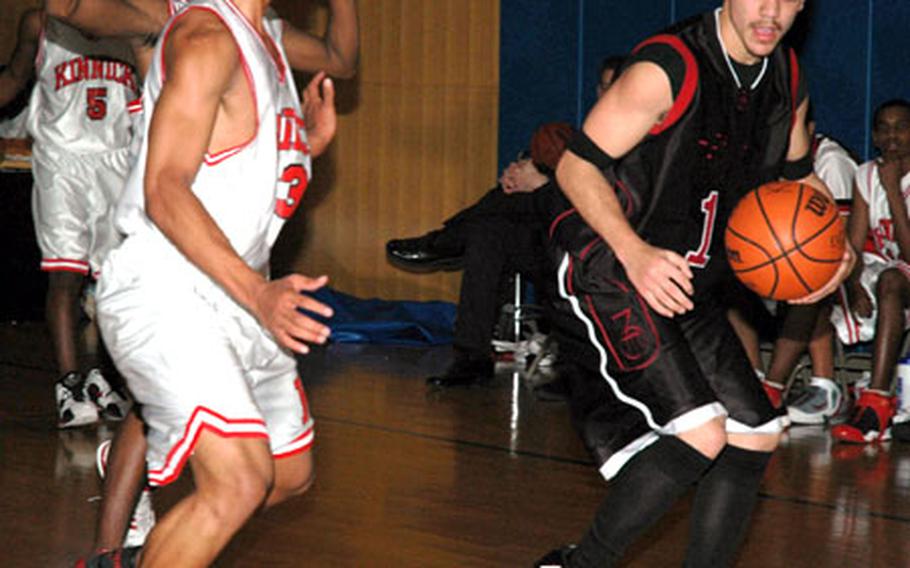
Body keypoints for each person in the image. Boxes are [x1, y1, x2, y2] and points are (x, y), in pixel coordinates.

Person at [535, 1, 853, 566]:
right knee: (701, 433)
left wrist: (833, 250)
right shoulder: (667, 68)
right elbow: (574, 167)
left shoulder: (788, 79)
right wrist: (634, 255)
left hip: (686, 280)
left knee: (756, 433)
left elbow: (801, 181)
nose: (772, 11)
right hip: (606, 264)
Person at [44, 0, 359, 561]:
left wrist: (299, 145)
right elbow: (164, 188)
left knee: (288, 476)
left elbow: (232, 164)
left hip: (233, 296)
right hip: (167, 290)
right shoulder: (205, 35)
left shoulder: (267, 43)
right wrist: (261, 293)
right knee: (236, 481)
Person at [387, 56, 625, 388]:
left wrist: (541, 183)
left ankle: (445, 241)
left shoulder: (644, 142)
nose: (608, 93)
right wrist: (530, 174)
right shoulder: (585, 138)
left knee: (503, 212)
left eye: (617, 86)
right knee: (490, 232)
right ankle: (472, 356)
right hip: (555, 245)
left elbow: (611, 206)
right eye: (604, 86)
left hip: (602, 255)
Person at [0, 9, 133, 429]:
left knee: (116, 279)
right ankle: (70, 384)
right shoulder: (40, 22)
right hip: (62, 160)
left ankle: (104, 378)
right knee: (65, 274)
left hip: (117, 158)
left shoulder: (136, 20)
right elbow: (15, 77)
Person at [725, 118, 859, 424]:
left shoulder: (830, 161)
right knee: (729, 281)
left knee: (808, 284)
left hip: (845, 265)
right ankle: (753, 377)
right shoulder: (762, 159)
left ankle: (804, 388)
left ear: (807, 130)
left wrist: (789, 264)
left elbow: (839, 244)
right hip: (785, 260)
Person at [829, 99, 910, 444]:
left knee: (891, 281)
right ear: (875, 136)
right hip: (890, 270)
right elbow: (855, 244)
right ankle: (825, 392)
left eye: (901, 126)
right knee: (819, 276)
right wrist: (853, 285)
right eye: (885, 128)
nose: (893, 135)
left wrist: (893, 191)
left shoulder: (892, 181)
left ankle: (876, 399)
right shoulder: (865, 174)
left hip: (902, 269)